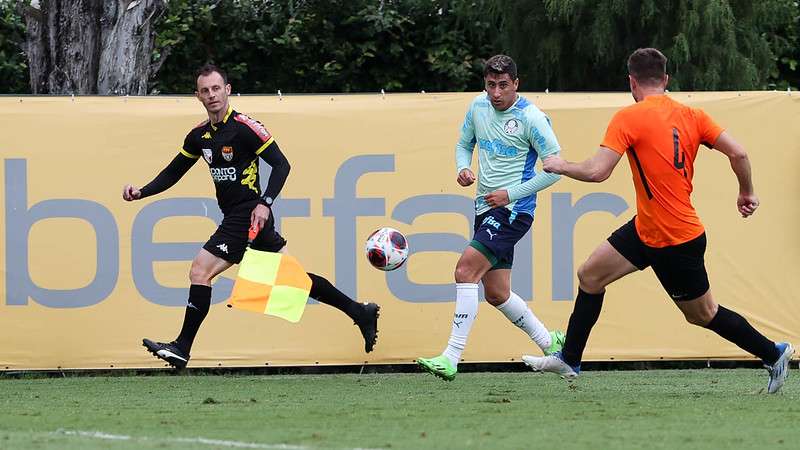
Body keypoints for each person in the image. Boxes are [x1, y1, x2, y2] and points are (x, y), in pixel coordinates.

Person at [523, 48, 793, 393]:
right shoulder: (693, 115)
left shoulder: (629, 117)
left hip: (673, 237)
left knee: (702, 314)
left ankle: (774, 353)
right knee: (590, 275)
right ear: (665, 80)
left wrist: (561, 165)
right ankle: (570, 358)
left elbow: (596, 172)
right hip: (647, 228)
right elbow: (739, 152)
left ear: (631, 82)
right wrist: (746, 192)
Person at [123, 64, 379, 369]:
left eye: (216, 88)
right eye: (205, 91)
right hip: (243, 218)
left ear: (228, 90)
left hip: (247, 215)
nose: (211, 95)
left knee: (200, 271)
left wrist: (265, 202)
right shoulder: (199, 136)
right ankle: (359, 312)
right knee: (294, 282)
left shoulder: (246, 128)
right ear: (198, 96)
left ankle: (182, 347)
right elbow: (174, 171)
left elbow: (282, 165)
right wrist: (142, 192)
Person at [416, 55, 566, 381]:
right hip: (485, 208)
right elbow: (462, 144)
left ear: (516, 83)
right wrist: (462, 168)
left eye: (502, 85)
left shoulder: (531, 118)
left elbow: (555, 171)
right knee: (497, 293)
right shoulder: (478, 107)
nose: (495, 93)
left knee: (464, 270)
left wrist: (509, 194)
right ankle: (550, 342)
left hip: (513, 211)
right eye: (490, 85)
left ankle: (451, 357)